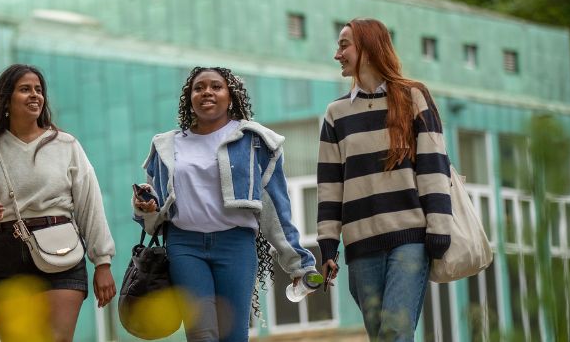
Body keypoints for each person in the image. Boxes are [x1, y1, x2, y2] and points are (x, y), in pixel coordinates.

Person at [132, 66, 317, 342]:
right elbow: (156, 211)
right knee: (201, 334)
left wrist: (298, 264)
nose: (206, 91)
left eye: (216, 86)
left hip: (236, 246)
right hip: (185, 246)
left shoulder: (254, 141)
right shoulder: (166, 146)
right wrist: (145, 207)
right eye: (199, 87)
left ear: (231, 97)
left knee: (233, 335)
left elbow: (276, 208)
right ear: (189, 99)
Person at [0, 64, 116, 342]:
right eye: (25, 89)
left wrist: (102, 262)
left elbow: (90, 204)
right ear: (6, 99)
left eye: (39, 90)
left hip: (61, 250)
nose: (35, 96)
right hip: (2, 253)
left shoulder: (66, 145)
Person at [317, 18, 452, 341]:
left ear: (368, 47)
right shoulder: (335, 114)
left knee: (395, 330)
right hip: (360, 243)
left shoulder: (413, 97)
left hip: (410, 237)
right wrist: (327, 244)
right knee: (379, 334)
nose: (338, 54)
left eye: (344, 45)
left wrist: (439, 226)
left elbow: (434, 166)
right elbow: (330, 184)